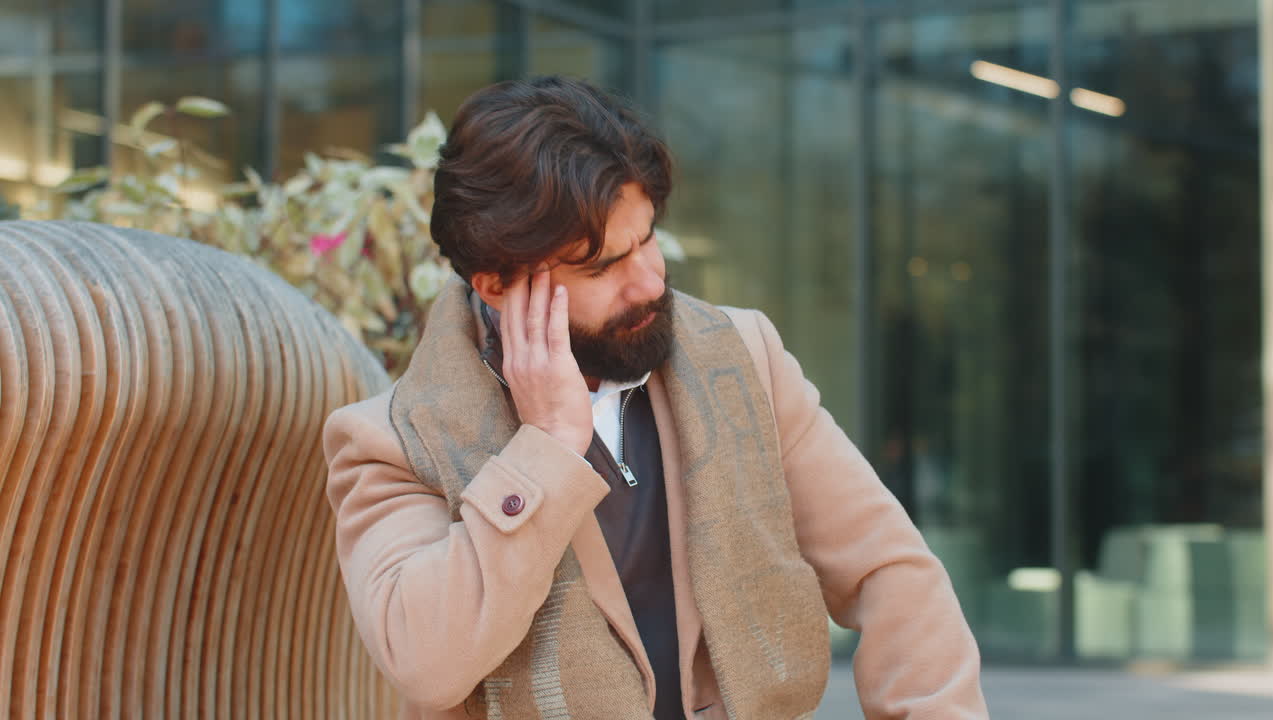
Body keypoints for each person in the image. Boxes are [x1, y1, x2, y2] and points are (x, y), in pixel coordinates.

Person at [322, 75, 987, 720]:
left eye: (645, 241)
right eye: (603, 266)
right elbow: (426, 661)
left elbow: (890, 571)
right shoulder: (390, 443)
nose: (648, 282)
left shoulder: (743, 357)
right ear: (497, 285)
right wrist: (547, 448)